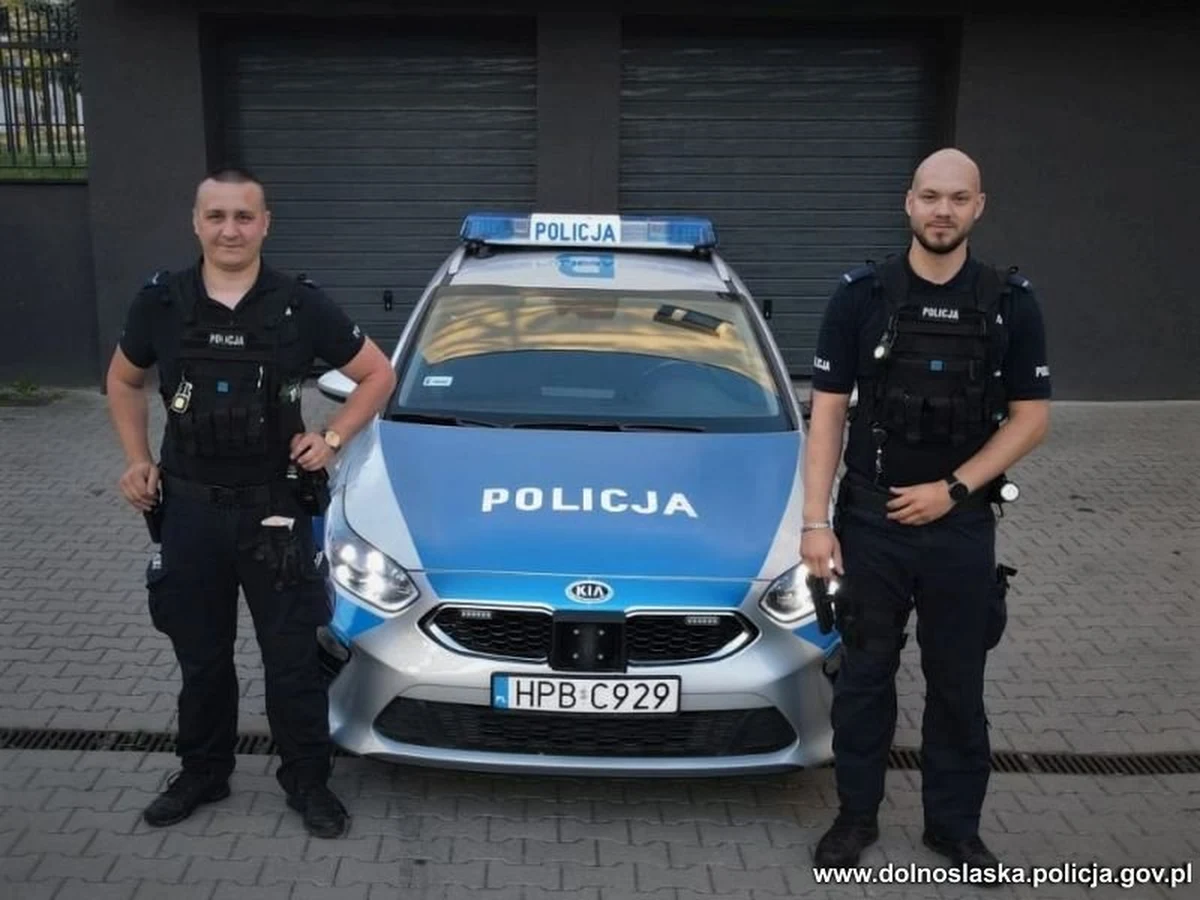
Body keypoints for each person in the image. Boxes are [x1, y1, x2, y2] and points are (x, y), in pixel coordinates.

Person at [105, 166, 397, 838]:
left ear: (265, 224)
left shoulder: (300, 305)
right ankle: (203, 773)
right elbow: (122, 380)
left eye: (243, 216)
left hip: (276, 511)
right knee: (201, 658)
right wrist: (137, 459)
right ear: (196, 223)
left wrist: (332, 437)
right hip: (189, 512)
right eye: (216, 216)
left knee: (291, 660)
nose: (230, 229)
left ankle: (307, 781)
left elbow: (377, 373)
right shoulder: (163, 302)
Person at [801, 148, 1051, 874]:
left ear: (979, 207)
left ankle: (953, 829)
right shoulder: (861, 296)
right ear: (908, 202)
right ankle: (855, 818)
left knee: (958, 685)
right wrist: (815, 523)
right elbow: (827, 413)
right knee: (865, 681)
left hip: (960, 525)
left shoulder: (1011, 302)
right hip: (870, 523)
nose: (943, 211)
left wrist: (954, 490)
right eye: (931, 196)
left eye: (958, 198)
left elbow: (1031, 418)